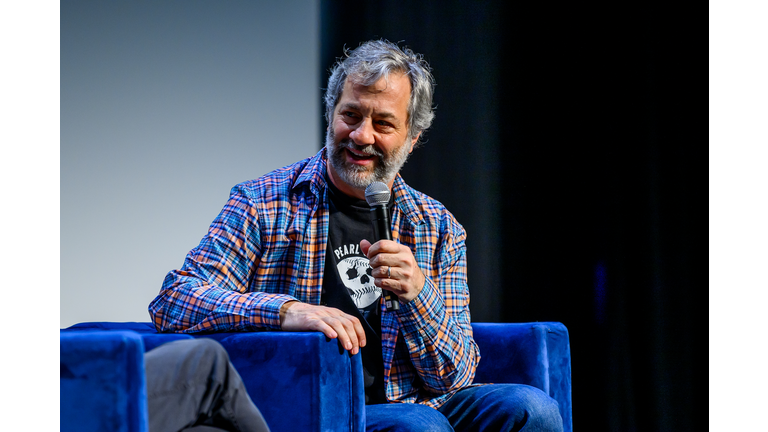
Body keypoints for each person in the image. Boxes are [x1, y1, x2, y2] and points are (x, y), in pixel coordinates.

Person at [149, 39, 563, 432]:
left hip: (417, 402)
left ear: (412, 139)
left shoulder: (438, 227)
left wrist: (419, 294)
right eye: (351, 115)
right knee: (419, 426)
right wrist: (286, 311)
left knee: (532, 409)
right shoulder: (263, 202)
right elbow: (176, 299)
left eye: (383, 123)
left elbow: (452, 374)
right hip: (310, 402)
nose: (361, 135)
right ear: (331, 114)